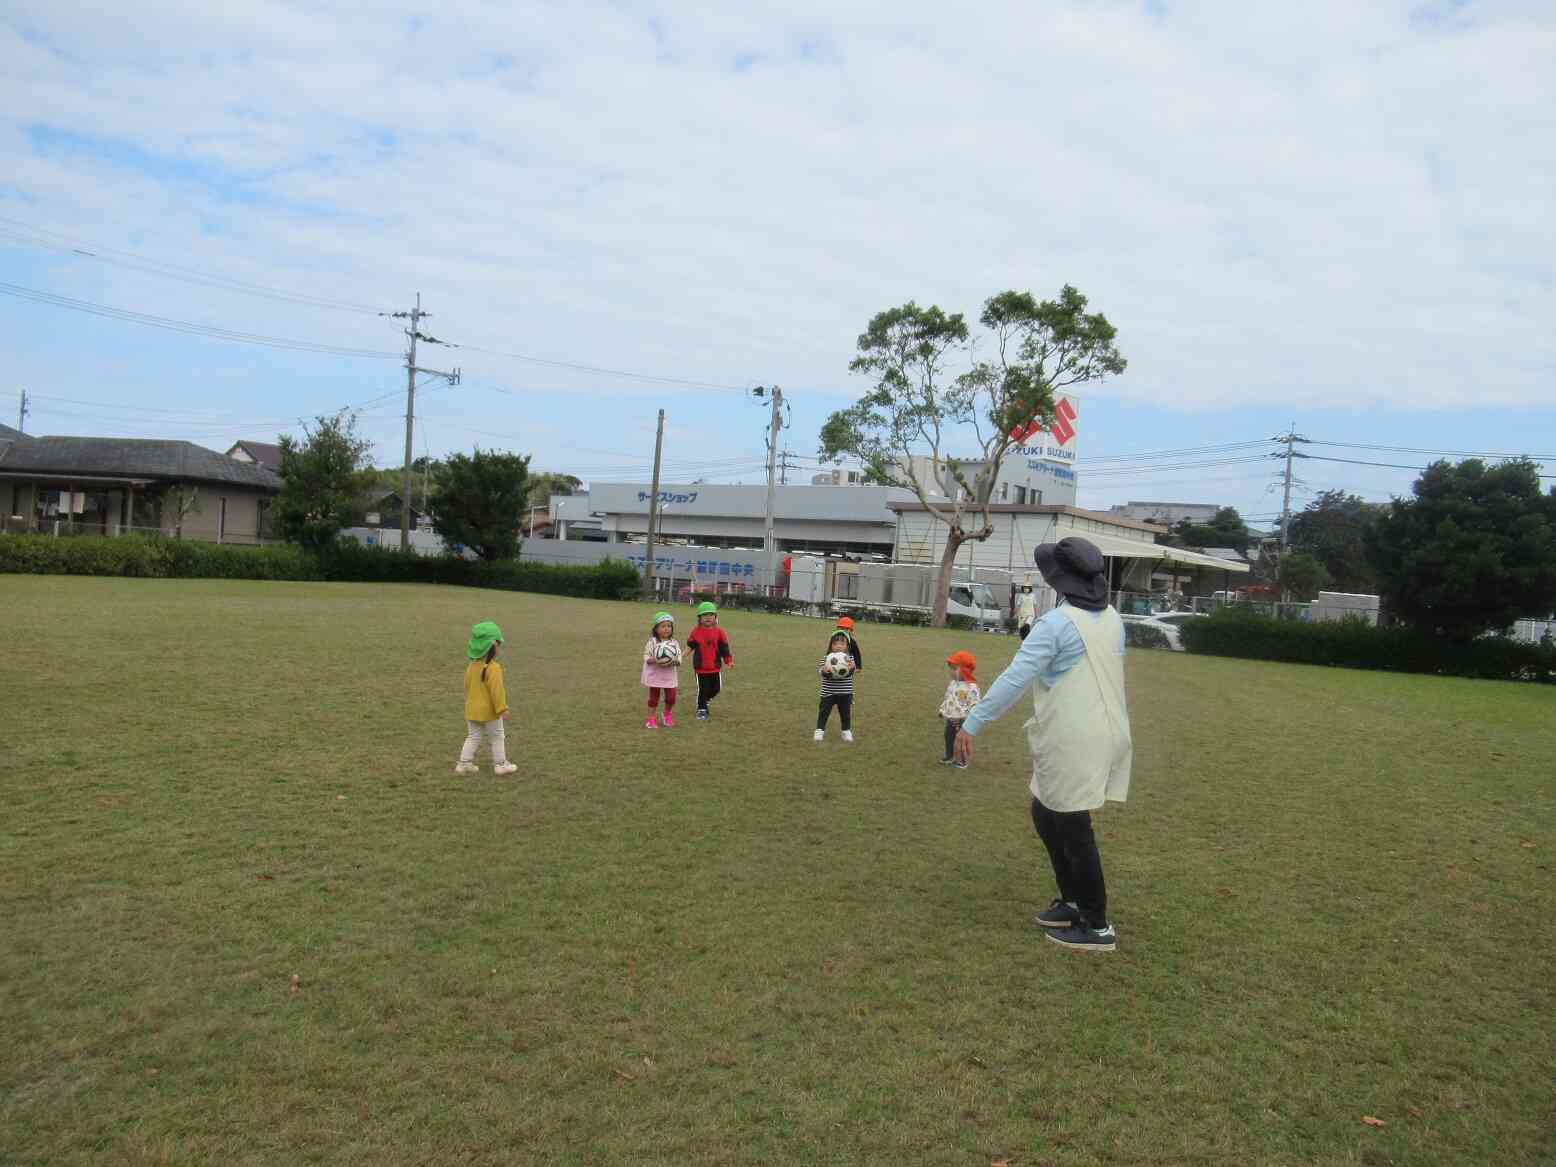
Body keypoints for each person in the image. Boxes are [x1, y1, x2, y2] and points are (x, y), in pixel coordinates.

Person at [954, 537, 1132, 952]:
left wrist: (972, 723)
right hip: (1100, 730)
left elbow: (1016, 679)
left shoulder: (1056, 624)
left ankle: (1097, 923)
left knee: (1073, 826)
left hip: (1076, 735)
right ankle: (1072, 901)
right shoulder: (1111, 618)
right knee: (1045, 812)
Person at [455, 620, 518, 776]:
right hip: (490, 712)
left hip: (471, 710)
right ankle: (500, 764)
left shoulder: (471, 665)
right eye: (498, 645)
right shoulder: (494, 668)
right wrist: (502, 708)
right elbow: (497, 691)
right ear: (493, 646)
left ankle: (463, 764)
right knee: (497, 737)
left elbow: (466, 686)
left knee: (473, 736)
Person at [685, 600, 734, 721]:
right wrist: (681, 656)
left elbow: (724, 648)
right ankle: (702, 709)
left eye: (711, 615)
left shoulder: (719, 632)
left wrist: (728, 661)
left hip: (715, 667)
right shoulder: (695, 632)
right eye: (704, 615)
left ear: (715, 617)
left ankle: (705, 700)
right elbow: (690, 646)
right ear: (699, 618)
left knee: (716, 688)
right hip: (700, 668)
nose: (708, 617)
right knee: (703, 689)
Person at [938, 650, 981, 768]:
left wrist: (971, 719)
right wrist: (942, 710)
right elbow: (948, 698)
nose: (951, 672)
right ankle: (950, 755)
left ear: (964, 670)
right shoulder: (953, 684)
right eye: (950, 669)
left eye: (954, 669)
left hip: (963, 720)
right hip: (951, 719)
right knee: (948, 737)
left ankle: (962, 760)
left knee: (961, 741)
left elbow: (975, 703)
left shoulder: (971, 687)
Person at [641, 611, 682, 729]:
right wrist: (656, 659)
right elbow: (647, 658)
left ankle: (667, 714)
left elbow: (678, 658)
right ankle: (651, 719)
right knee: (654, 698)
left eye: (669, 626)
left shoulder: (674, 643)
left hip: (669, 675)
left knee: (671, 697)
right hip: (655, 675)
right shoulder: (652, 642)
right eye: (663, 626)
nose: (666, 629)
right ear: (656, 628)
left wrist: (674, 661)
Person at [815, 631, 857, 743]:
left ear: (847, 646)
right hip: (828, 692)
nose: (838, 646)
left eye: (842, 644)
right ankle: (819, 730)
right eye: (835, 643)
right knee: (824, 712)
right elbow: (821, 672)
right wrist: (825, 671)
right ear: (831, 646)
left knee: (845, 714)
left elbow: (850, 673)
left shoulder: (850, 659)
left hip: (845, 693)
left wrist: (852, 668)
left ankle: (846, 731)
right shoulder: (826, 658)